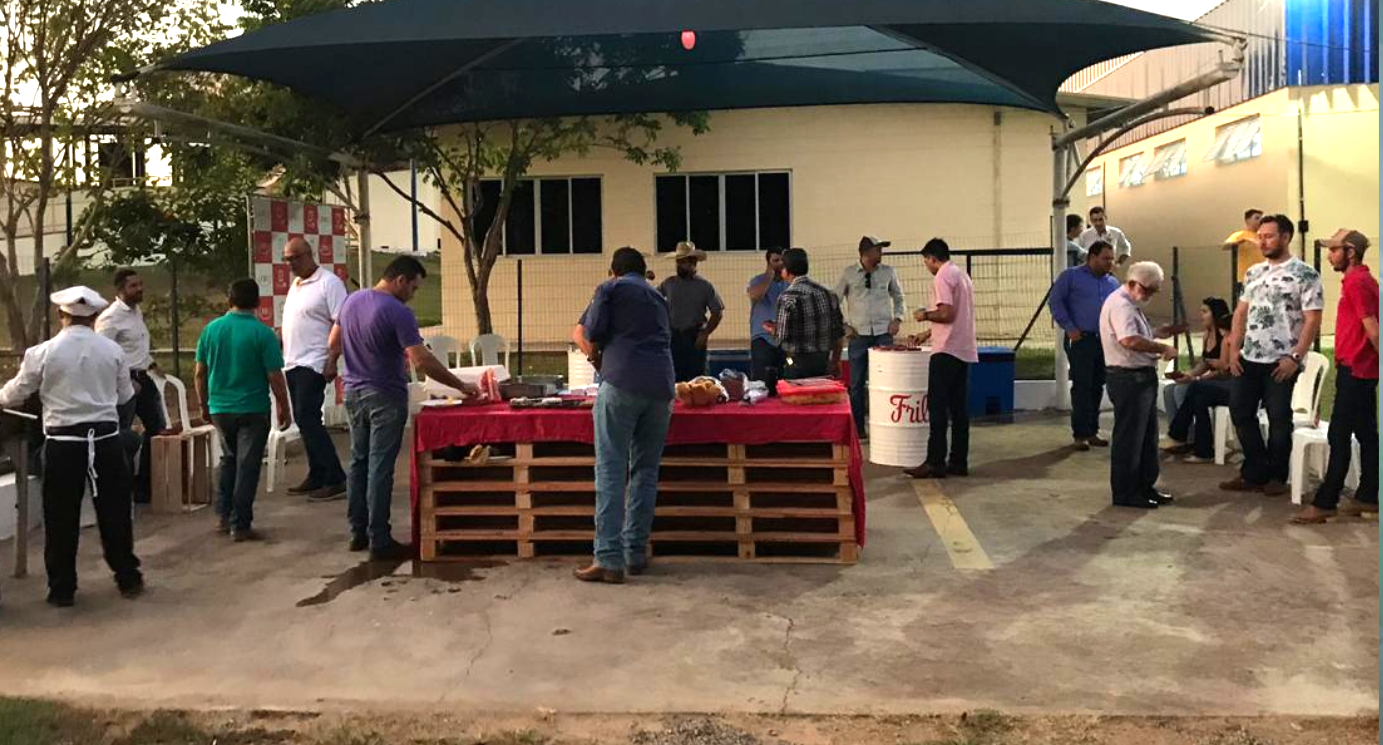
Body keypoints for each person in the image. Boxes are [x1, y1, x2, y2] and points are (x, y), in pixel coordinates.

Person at [0, 287, 142, 607]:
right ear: (94, 317)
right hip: (106, 442)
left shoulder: (42, 353)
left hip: (64, 443)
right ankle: (127, 578)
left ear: (60, 315)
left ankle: (62, 589)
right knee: (115, 513)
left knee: (61, 517)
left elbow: (14, 394)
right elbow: (123, 397)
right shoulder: (112, 351)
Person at [327, 256, 475, 560]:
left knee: (359, 462)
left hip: (353, 392)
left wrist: (332, 368)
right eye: (414, 288)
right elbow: (421, 360)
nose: (413, 294)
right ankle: (379, 539)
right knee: (380, 468)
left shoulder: (351, 301)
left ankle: (357, 532)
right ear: (400, 280)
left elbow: (334, 342)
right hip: (384, 395)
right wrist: (460, 385)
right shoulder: (398, 312)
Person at [573, 247, 674, 584]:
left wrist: (597, 353)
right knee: (646, 470)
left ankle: (608, 558)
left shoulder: (610, 289)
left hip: (622, 383)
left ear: (613, 270)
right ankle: (635, 551)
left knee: (612, 468)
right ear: (643, 269)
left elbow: (594, 332)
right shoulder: (658, 296)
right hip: (661, 387)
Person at [1221, 214, 1323, 497]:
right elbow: (1240, 313)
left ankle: (1277, 475)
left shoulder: (1305, 274)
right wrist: (1233, 351)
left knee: (1279, 419)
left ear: (1286, 237)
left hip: (1281, 361)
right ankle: (1255, 470)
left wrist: (1295, 356)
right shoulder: (1253, 273)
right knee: (1240, 412)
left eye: (1269, 236)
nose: (1262, 241)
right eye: (1260, 236)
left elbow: (1312, 319)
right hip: (1249, 357)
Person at [195, 279, 292, 542]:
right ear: (258, 303)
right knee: (247, 466)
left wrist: (204, 404)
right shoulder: (263, 334)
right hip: (253, 409)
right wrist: (284, 406)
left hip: (220, 408)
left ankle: (222, 516)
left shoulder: (211, 331)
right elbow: (274, 376)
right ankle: (241, 524)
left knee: (228, 460)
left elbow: (200, 373)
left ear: (229, 300)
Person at [1293, 229, 1378, 523]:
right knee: (1367, 434)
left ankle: (1326, 500)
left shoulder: (1357, 282)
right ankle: (1368, 495)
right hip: (1358, 369)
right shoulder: (1360, 281)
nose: (1329, 254)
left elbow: (1373, 329)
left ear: (1350, 252)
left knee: (1339, 434)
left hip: (1356, 370)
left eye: (1334, 250)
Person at [1098, 262, 1179, 509]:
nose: (1150, 296)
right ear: (1132, 283)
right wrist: (1162, 348)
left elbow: (1135, 334)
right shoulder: (1122, 305)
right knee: (1131, 439)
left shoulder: (1128, 303)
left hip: (1137, 377)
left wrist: (1155, 333)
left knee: (1145, 437)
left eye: (1154, 291)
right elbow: (1129, 339)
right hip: (1129, 378)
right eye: (1148, 290)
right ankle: (1126, 491)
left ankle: (1144, 486)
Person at [280, 237, 349, 502]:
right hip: (293, 361)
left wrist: (332, 359)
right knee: (304, 419)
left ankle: (335, 477)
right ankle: (317, 472)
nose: (291, 264)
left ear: (310, 255)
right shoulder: (296, 285)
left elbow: (341, 322)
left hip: (315, 362)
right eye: (287, 259)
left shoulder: (328, 283)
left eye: (295, 257)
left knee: (308, 418)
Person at [905, 238, 978, 479]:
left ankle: (935, 462)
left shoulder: (942, 276)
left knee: (937, 409)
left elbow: (946, 313)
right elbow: (956, 316)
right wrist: (927, 334)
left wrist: (924, 315)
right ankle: (958, 461)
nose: (926, 265)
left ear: (932, 258)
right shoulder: (962, 275)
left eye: (926, 260)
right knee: (959, 410)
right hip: (964, 349)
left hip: (946, 351)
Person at [96, 268, 164, 504]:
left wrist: (152, 365)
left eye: (140, 284)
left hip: (144, 377)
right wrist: (124, 380)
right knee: (121, 433)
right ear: (121, 290)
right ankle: (119, 488)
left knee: (157, 429)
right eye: (133, 286)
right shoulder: (110, 318)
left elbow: (136, 349)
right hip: (124, 382)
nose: (139, 289)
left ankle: (144, 487)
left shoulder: (136, 312)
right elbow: (104, 355)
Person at [1049, 240, 1119, 450]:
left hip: (1104, 341)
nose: (1110, 263)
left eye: (1112, 258)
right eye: (1106, 258)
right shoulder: (1071, 277)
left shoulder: (1112, 283)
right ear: (1092, 257)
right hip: (1081, 339)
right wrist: (1069, 327)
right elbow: (1055, 301)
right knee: (1082, 386)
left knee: (1097, 385)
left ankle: (1092, 430)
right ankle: (1080, 434)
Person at [834, 235, 906, 438]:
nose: (881, 253)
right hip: (858, 335)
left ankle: (884, 425)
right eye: (878, 250)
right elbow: (834, 302)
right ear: (865, 253)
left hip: (883, 334)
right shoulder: (849, 274)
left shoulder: (888, 272)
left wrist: (898, 319)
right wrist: (844, 326)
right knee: (856, 384)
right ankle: (858, 428)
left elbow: (899, 297)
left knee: (886, 382)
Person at [1160, 297, 1233, 464]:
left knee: (1188, 389)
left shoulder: (1227, 337)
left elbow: (1224, 368)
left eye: (1205, 312)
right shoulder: (1207, 334)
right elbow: (1205, 362)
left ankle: (1185, 437)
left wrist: (1196, 378)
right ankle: (1182, 438)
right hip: (1209, 380)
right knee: (1169, 389)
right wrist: (1189, 374)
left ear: (1215, 314)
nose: (1201, 315)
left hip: (1222, 381)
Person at [764, 248, 845, 380]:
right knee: (820, 396)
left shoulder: (787, 297)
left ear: (786, 271)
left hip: (796, 362)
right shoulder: (828, 293)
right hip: (822, 359)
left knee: (799, 398)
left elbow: (781, 336)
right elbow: (839, 332)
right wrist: (836, 361)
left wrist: (771, 328)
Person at [658, 241, 723, 382]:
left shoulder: (705, 286)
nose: (679, 265)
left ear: (693, 263)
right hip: (673, 336)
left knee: (697, 377)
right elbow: (653, 299)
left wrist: (705, 334)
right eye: (678, 262)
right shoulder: (668, 283)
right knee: (673, 377)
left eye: (683, 262)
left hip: (694, 337)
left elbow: (717, 312)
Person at [746, 246, 787, 392]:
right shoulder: (757, 281)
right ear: (768, 262)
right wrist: (769, 274)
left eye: (782, 260)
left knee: (784, 382)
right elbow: (755, 296)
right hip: (762, 338)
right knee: (761, 383)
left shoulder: (789, 283)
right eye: (776, 260)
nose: (780, 263)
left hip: (784, 339)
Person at [1223, 208, 1264, 292]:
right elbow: (1225, 246)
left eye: (1261, 218)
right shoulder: (1240, 235)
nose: (1259, 221)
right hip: (1245, 276)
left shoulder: (1263, 236)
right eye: (1256, 218)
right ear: (1247, 220)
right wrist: (1242, 240)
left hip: (1262, 275)